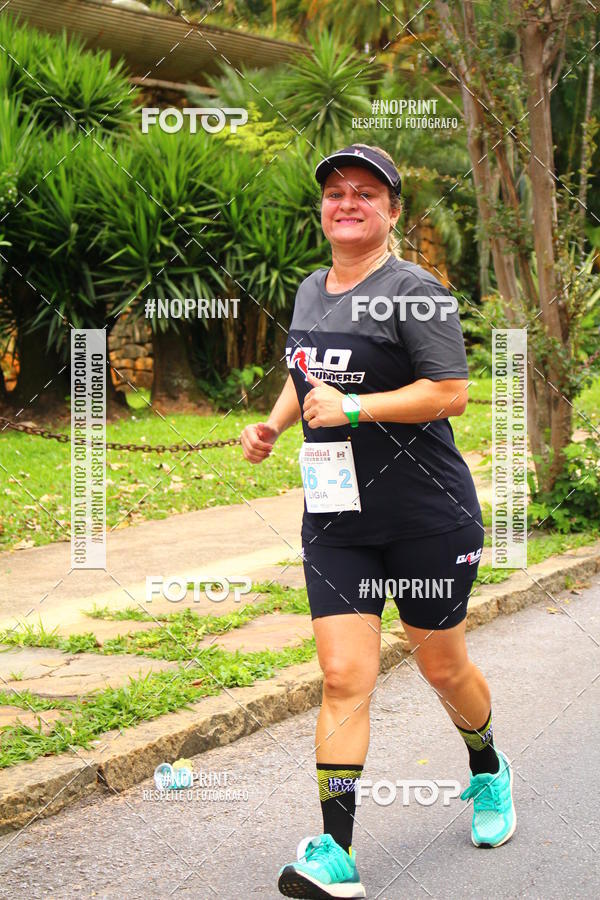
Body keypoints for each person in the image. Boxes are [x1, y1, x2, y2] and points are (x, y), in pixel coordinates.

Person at [241, 144, 516, 899]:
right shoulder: (309, 290)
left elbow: (451, 392)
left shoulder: (416, 292)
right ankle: (336, 853)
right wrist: (272, 423)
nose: (347, 202)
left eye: (366, 192)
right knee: (343, 676)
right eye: (335, 192)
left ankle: (488, 770)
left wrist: (359, 407)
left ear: (392, 212)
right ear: (323, 209)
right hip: (338, 519)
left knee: (441, 666)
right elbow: (307, 378)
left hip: (427, 517)